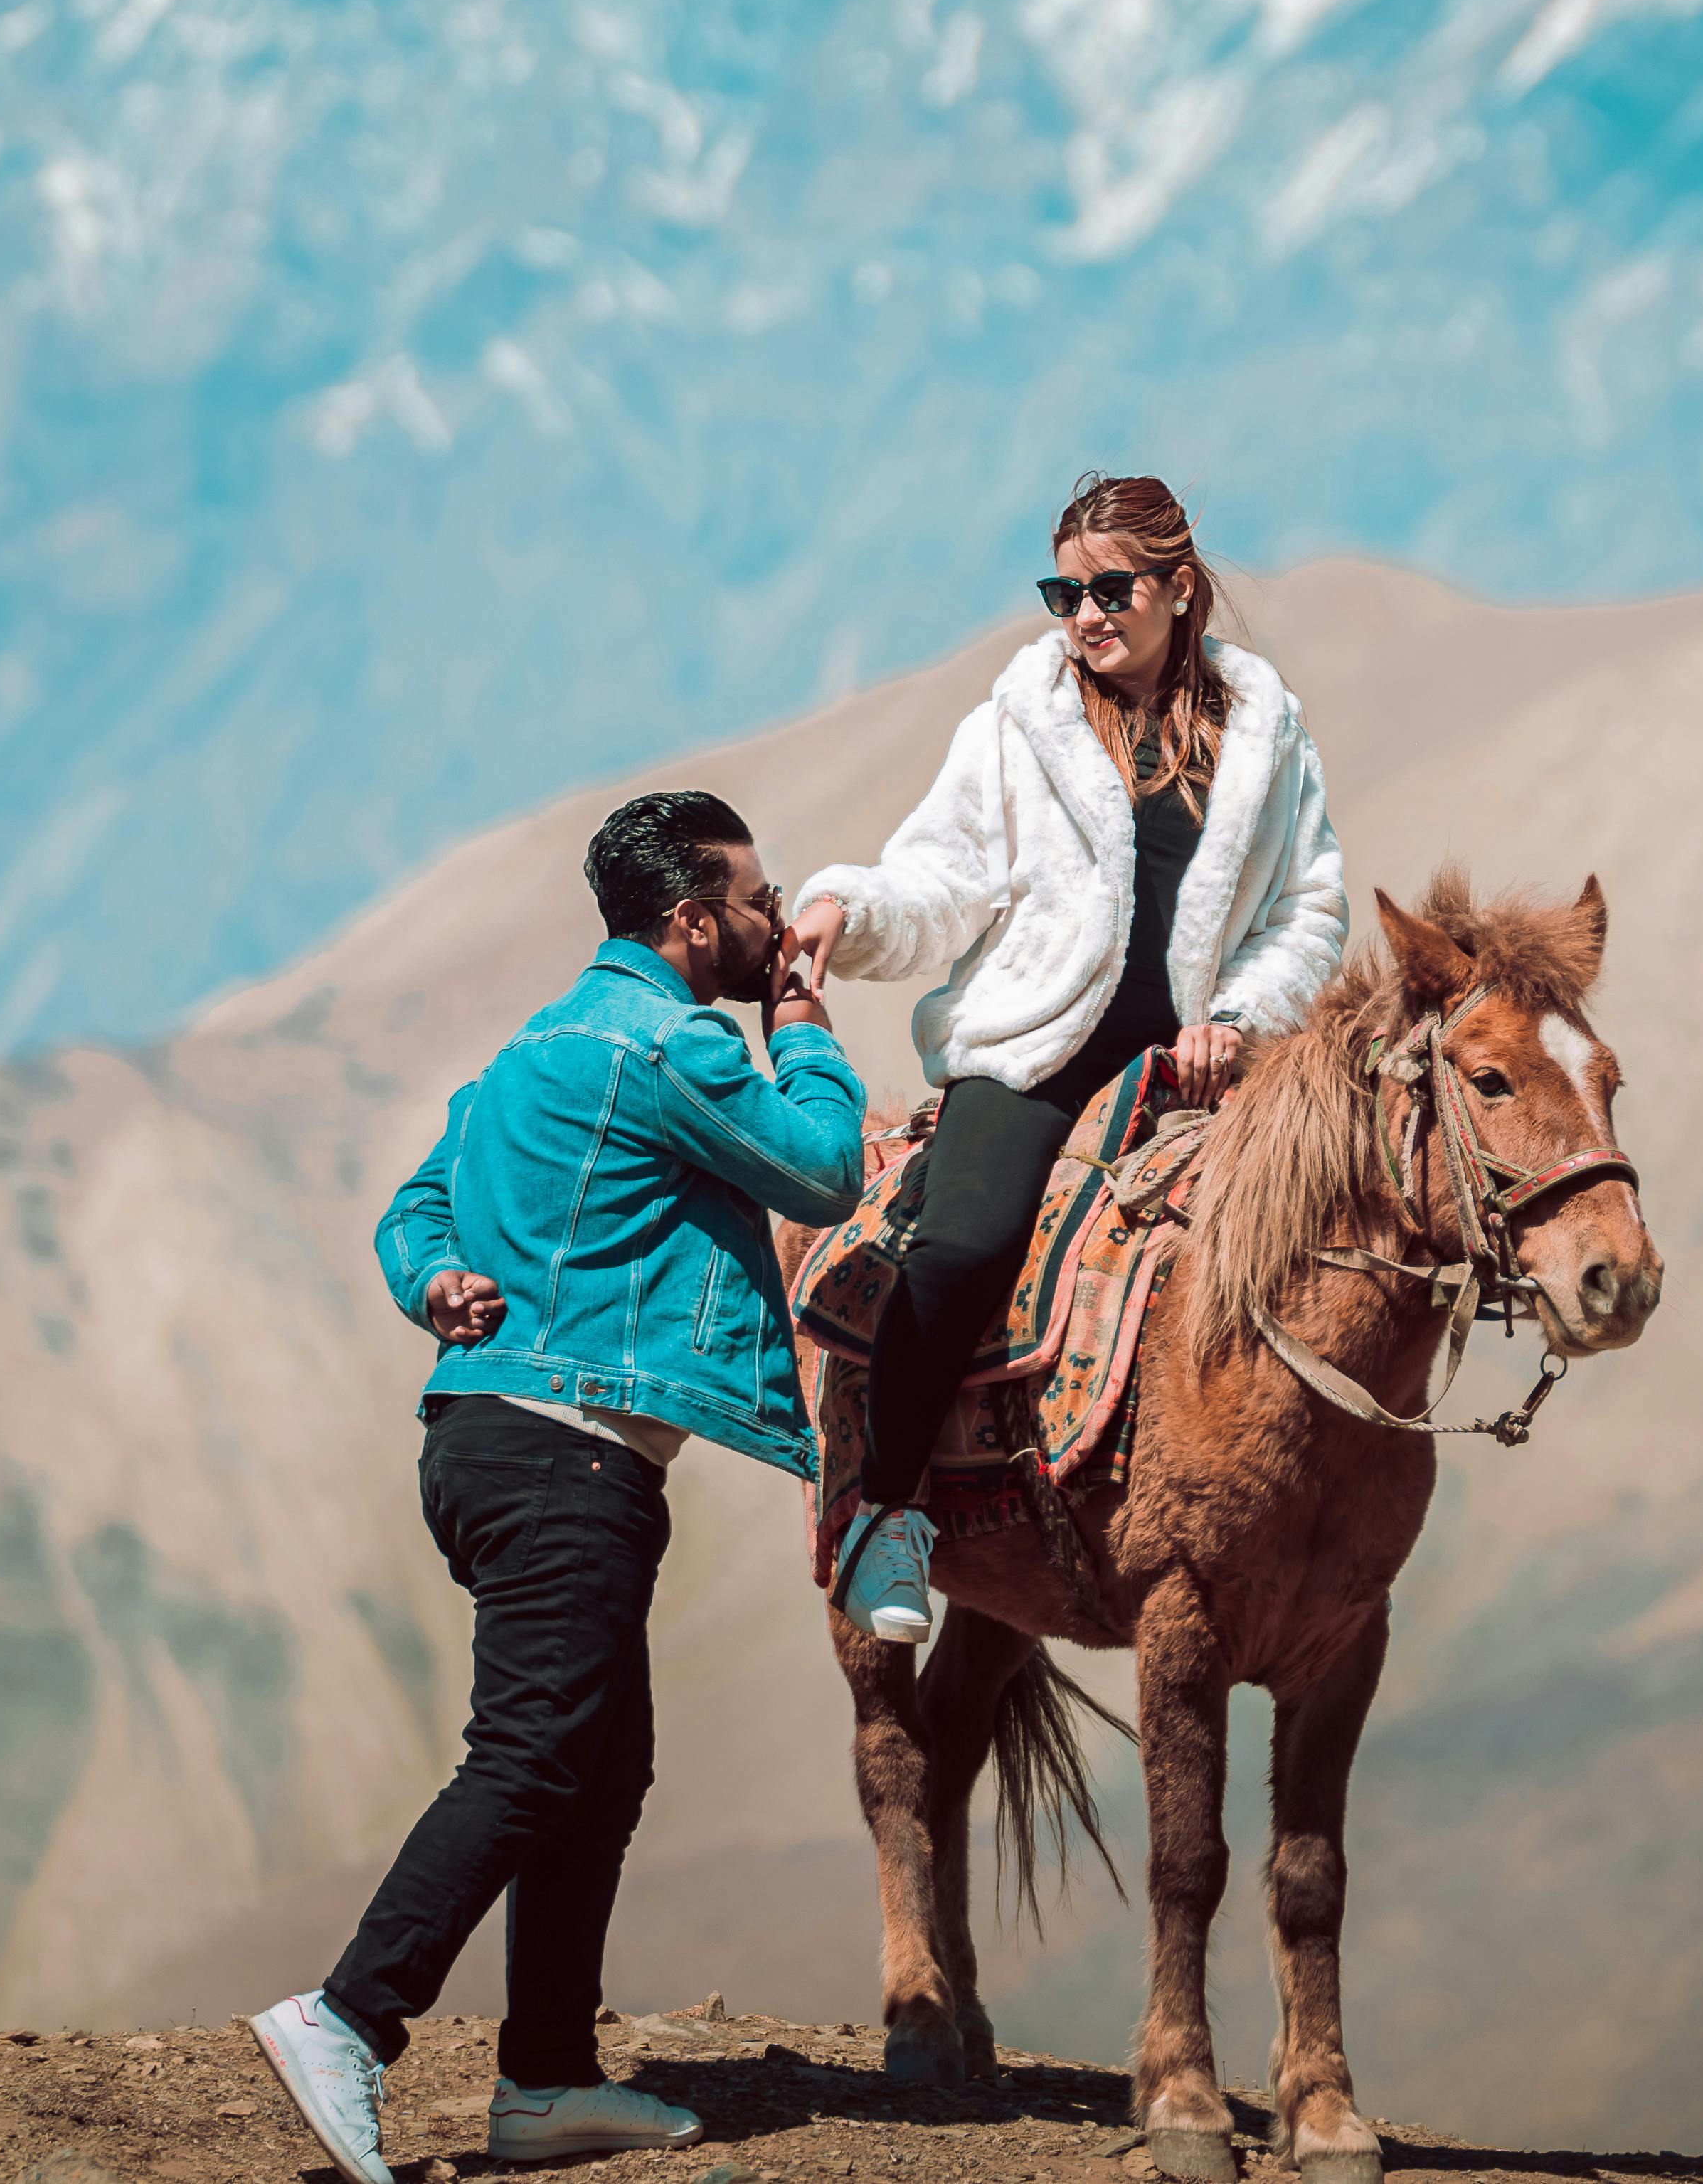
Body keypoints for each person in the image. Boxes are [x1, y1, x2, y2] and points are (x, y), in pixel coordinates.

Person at [250, 790, 866, 2184]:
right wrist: (803, 1019)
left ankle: (544, 2082)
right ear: (695, 922)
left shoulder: (532, 1050)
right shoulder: (672, 1042)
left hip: (486, 1441)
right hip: (565, 1455)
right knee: (536, 1751)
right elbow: (825, 1172)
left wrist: (434, 1280)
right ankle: (348, 2016)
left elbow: (415, 1204)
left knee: (600, 1762)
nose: (775, 924)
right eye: (758, 902)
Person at [780, 472, 1349, 1644]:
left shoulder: (1266, 731)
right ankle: (888, 1511)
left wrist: (1239, 1016)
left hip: (1198, 1070)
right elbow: (940, 880)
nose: (1085, 614)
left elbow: (1308, 909)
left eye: (1110, 588)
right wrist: (849, 905)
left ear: (1178, 588)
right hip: (1032, 1056)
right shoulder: (1015, 725)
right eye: (1064, 592)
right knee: (962, 1245)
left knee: (1339, 1241)